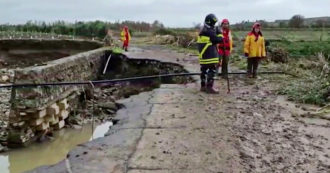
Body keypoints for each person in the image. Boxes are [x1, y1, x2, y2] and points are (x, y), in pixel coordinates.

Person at [197, 14, 223, 94]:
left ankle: (203, 86)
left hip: (203, 56)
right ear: (210, 22)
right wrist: (220, 33)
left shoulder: (202, 30)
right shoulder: (210, 31)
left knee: (204, 70)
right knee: (212, 70)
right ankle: (209, 87)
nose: (214, 25)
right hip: (210, 56)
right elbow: (218, 40)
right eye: (213, 23)